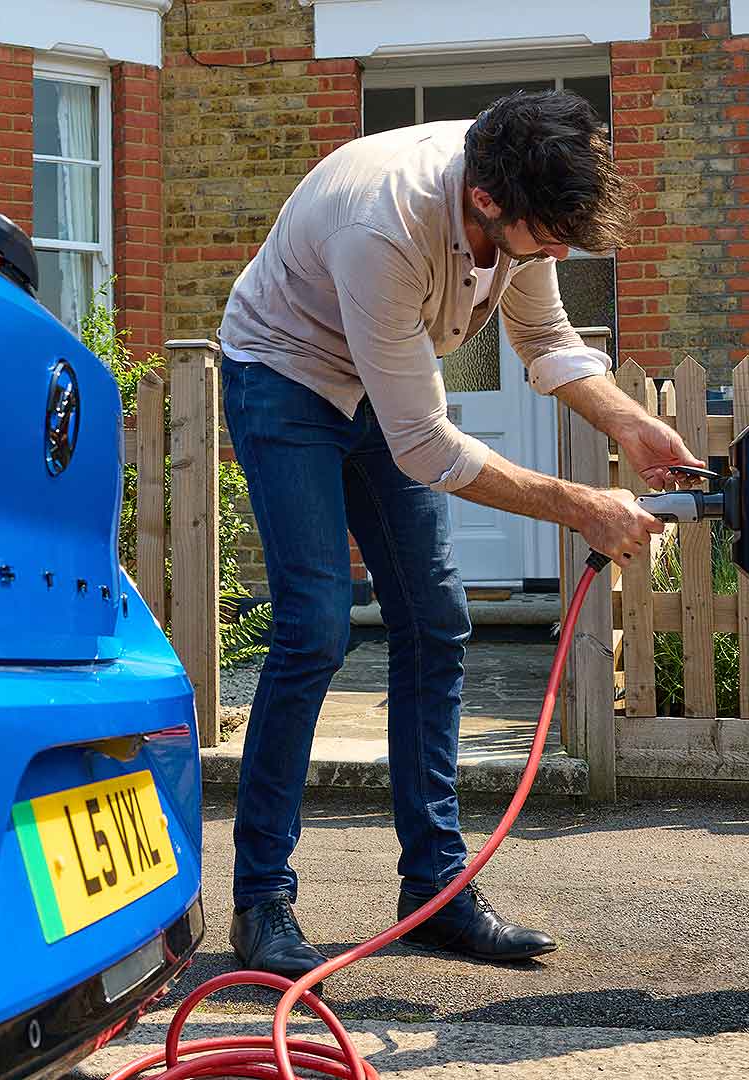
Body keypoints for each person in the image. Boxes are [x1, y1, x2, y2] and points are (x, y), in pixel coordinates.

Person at [218, 90, 702, 978]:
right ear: (486, 201)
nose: (561, 249)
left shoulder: (518, 189)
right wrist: (579, 504)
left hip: (384, 388)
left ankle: (434, 889)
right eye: (551, 234)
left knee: (436, 620)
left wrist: (629, 425)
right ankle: (262, 900)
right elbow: (427, 446)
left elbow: (546, 338)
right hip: (285, 377)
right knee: (315, 628)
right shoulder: (386, 226)